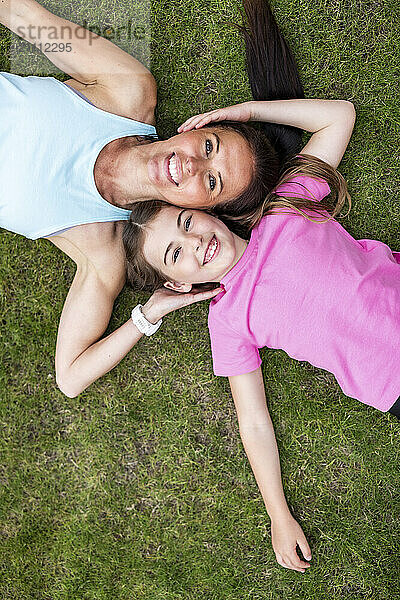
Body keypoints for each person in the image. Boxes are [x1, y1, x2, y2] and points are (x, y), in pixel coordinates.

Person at [121, 96, 400, 573]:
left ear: (209, 209)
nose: (193, 242)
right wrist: (277, 515)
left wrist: (246, 112)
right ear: (177, 283)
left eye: (186, 222)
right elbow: (253, 421)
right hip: (391, 381)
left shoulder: (285, 206)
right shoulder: (226, 320)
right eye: (174, 254)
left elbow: (340, 117)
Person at [0, 0, 304, 397]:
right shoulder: (129, 88)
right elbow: (23, 17)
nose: (193, 164)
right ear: (199, 125)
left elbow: (70, 378)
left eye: (211, 183)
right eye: (209, 146)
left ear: (203, 210)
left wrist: (149, 314)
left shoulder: (103, 252)